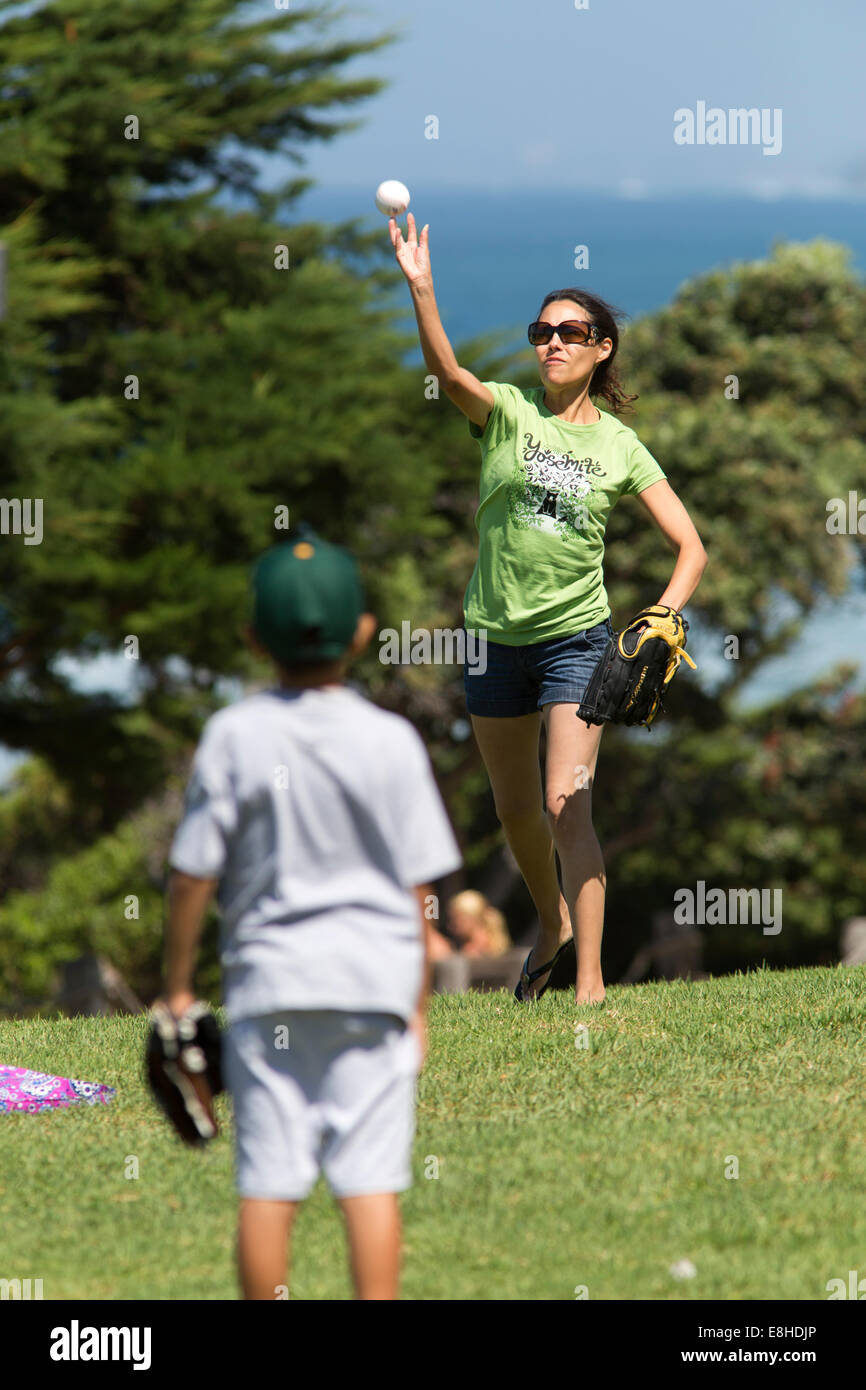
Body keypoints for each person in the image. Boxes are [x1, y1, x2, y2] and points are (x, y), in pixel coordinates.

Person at [390, 212, 707, 1005]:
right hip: (493, 640)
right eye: (543, 330)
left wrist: (662, 616)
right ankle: (551, 922)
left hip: (576, 642)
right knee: (515, 809)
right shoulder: (506, 412)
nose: (553, 343)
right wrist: (422, 290)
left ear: (602, 348)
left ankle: (591, 984)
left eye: (572, 332)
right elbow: (451, 373)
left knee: (569, 801)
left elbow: (691, 547)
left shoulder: (621, 446)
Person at [158, 525, 462, 1299]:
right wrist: (418, 1002)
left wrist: (179, 985)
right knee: (369, 1185)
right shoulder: (392, 740)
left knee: (268, 1185)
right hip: (372, 987)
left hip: (271, 990)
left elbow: (193, 872)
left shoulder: (233, 735)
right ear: (362, 633)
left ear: (253, 639)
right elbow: (418, 890)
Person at [446, 890, 510, 958]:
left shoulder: (474, 950)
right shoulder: (495, 940)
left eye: (455, 919)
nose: (450, 926)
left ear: (471, 918)